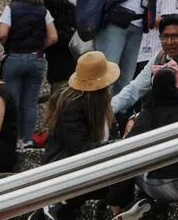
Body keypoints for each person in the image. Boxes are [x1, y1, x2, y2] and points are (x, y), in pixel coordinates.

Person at [106, 65, 178, 220]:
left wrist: (114, 201)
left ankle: (134, 204)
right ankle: (140, 204)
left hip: (155, 186)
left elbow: (127, 155)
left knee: (133, 162)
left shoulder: (147, 115)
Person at [30, 51, 120, 220]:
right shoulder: (71, 106)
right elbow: (79, 149)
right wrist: (115, 147)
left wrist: (117, 145)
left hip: (94, 164)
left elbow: (113, 132)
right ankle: (54, 208)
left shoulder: (103, 104)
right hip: (66, 166)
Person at [0, 0, 57, 147]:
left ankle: (14, 139)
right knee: (30, 103)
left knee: (13, 101)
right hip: (36, 58)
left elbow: (2, 33)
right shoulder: (44, 11)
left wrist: (7, 45)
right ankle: (28, 139)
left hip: (15, 57)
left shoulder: (11, 8)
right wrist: (40, 47)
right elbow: (53, 37)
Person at [112, 15, 178, 116]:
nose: (169, 42)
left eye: (175, 36)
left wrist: (137, 118)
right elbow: (136, 87)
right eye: (165, 37)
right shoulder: (161, 55)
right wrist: (109, 109)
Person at [43, 0, 78, 94]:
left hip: (59, 76)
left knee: (59, 106)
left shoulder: (55, 33)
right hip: (76, 74)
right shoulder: (72, 24)